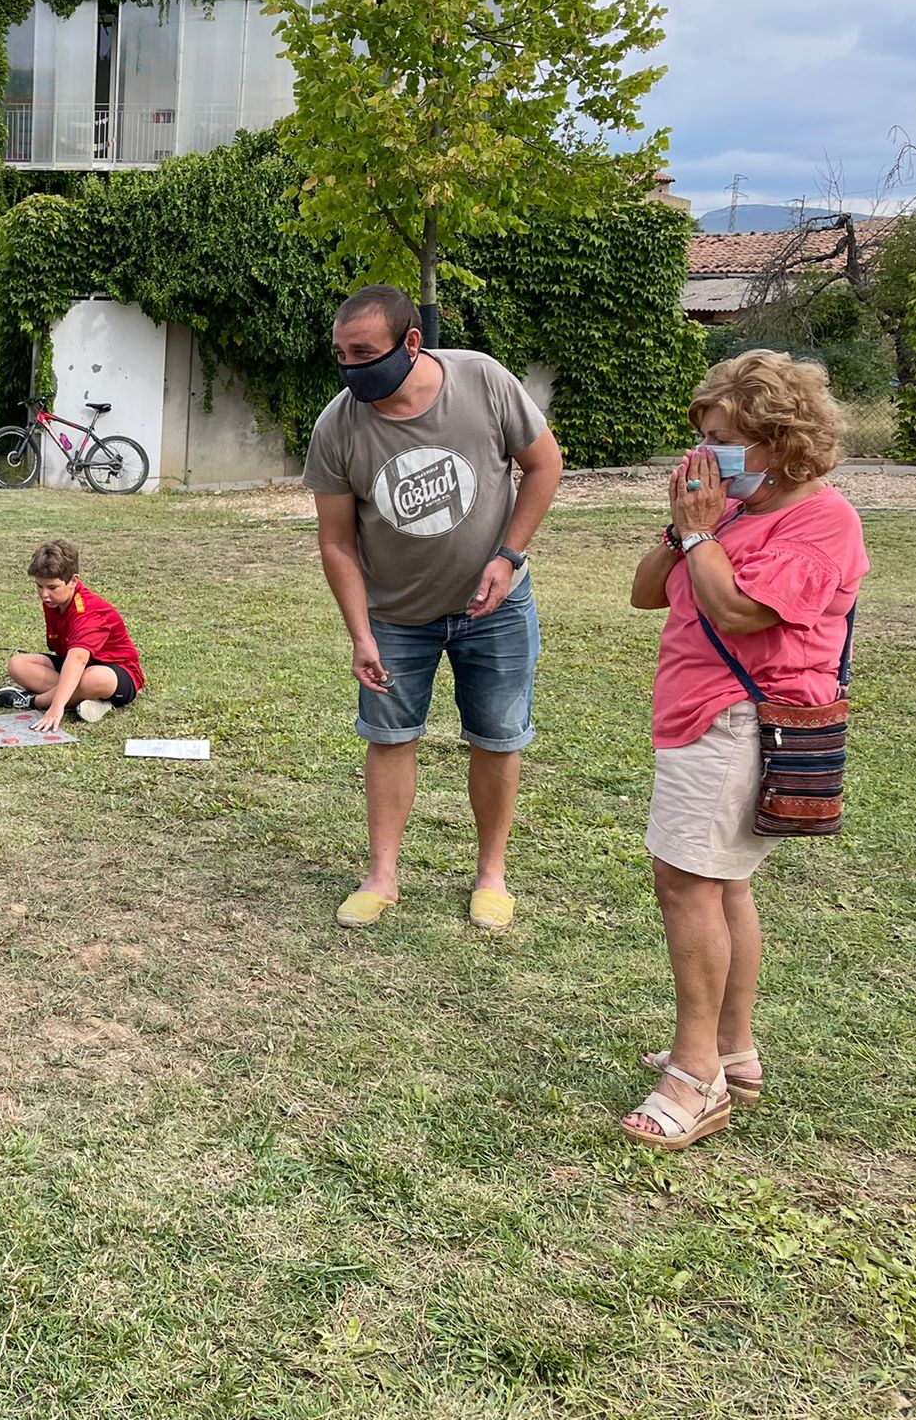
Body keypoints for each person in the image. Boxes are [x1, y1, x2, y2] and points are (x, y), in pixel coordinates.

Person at [620, 351, 868, 1151]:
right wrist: (684, 526)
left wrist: (700, 538)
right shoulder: (731, 512)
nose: (711, 455)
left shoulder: (822, 520)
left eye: (725, 439)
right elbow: (644, 591)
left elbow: (735, 611)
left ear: (776, 436)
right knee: (723, 888)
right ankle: (734, 1053)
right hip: (700, 718)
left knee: (687, 884)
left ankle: (695, 1079)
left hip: (740, 721)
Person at [306, 284, 563, 934]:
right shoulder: (338, 425)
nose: (351, 367)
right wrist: (361, 633)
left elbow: (544, 465)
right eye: (341, 354)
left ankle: (491, 877)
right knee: (389, 740)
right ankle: (382, 877)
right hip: (395, 617)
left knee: (497, 739)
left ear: (411, 342)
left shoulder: (482, 381)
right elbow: (336, 541)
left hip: (495, 610)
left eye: (364, 352)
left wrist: (507, 556)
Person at [0, 538, 145, 730]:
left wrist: (55, 707)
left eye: (52, 587)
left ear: (73, 581)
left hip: (114, 673)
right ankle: (87, 700)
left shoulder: (89, 610)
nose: (44, 594)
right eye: (39, 586)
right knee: (18, 664)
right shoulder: (54, 601)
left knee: (93, 678)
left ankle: (34, 701)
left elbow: (78, 659)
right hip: (74, 666)